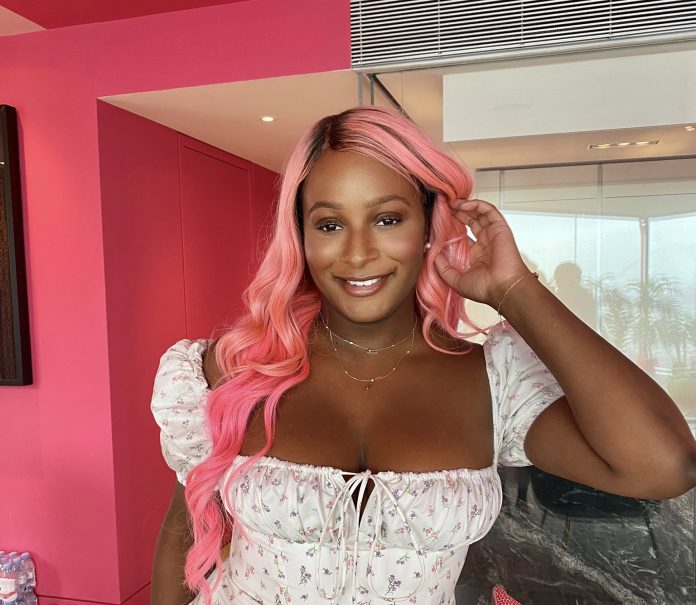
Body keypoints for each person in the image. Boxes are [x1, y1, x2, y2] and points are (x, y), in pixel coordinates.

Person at [149, 106, 696, 605]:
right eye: (330, 224)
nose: (358, 253)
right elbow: (183, 529)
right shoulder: (229, 371)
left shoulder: (493, 381)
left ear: (429, 225)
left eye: (387, 219)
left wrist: (515, 290)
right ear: (302, 237)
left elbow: (664, 466)